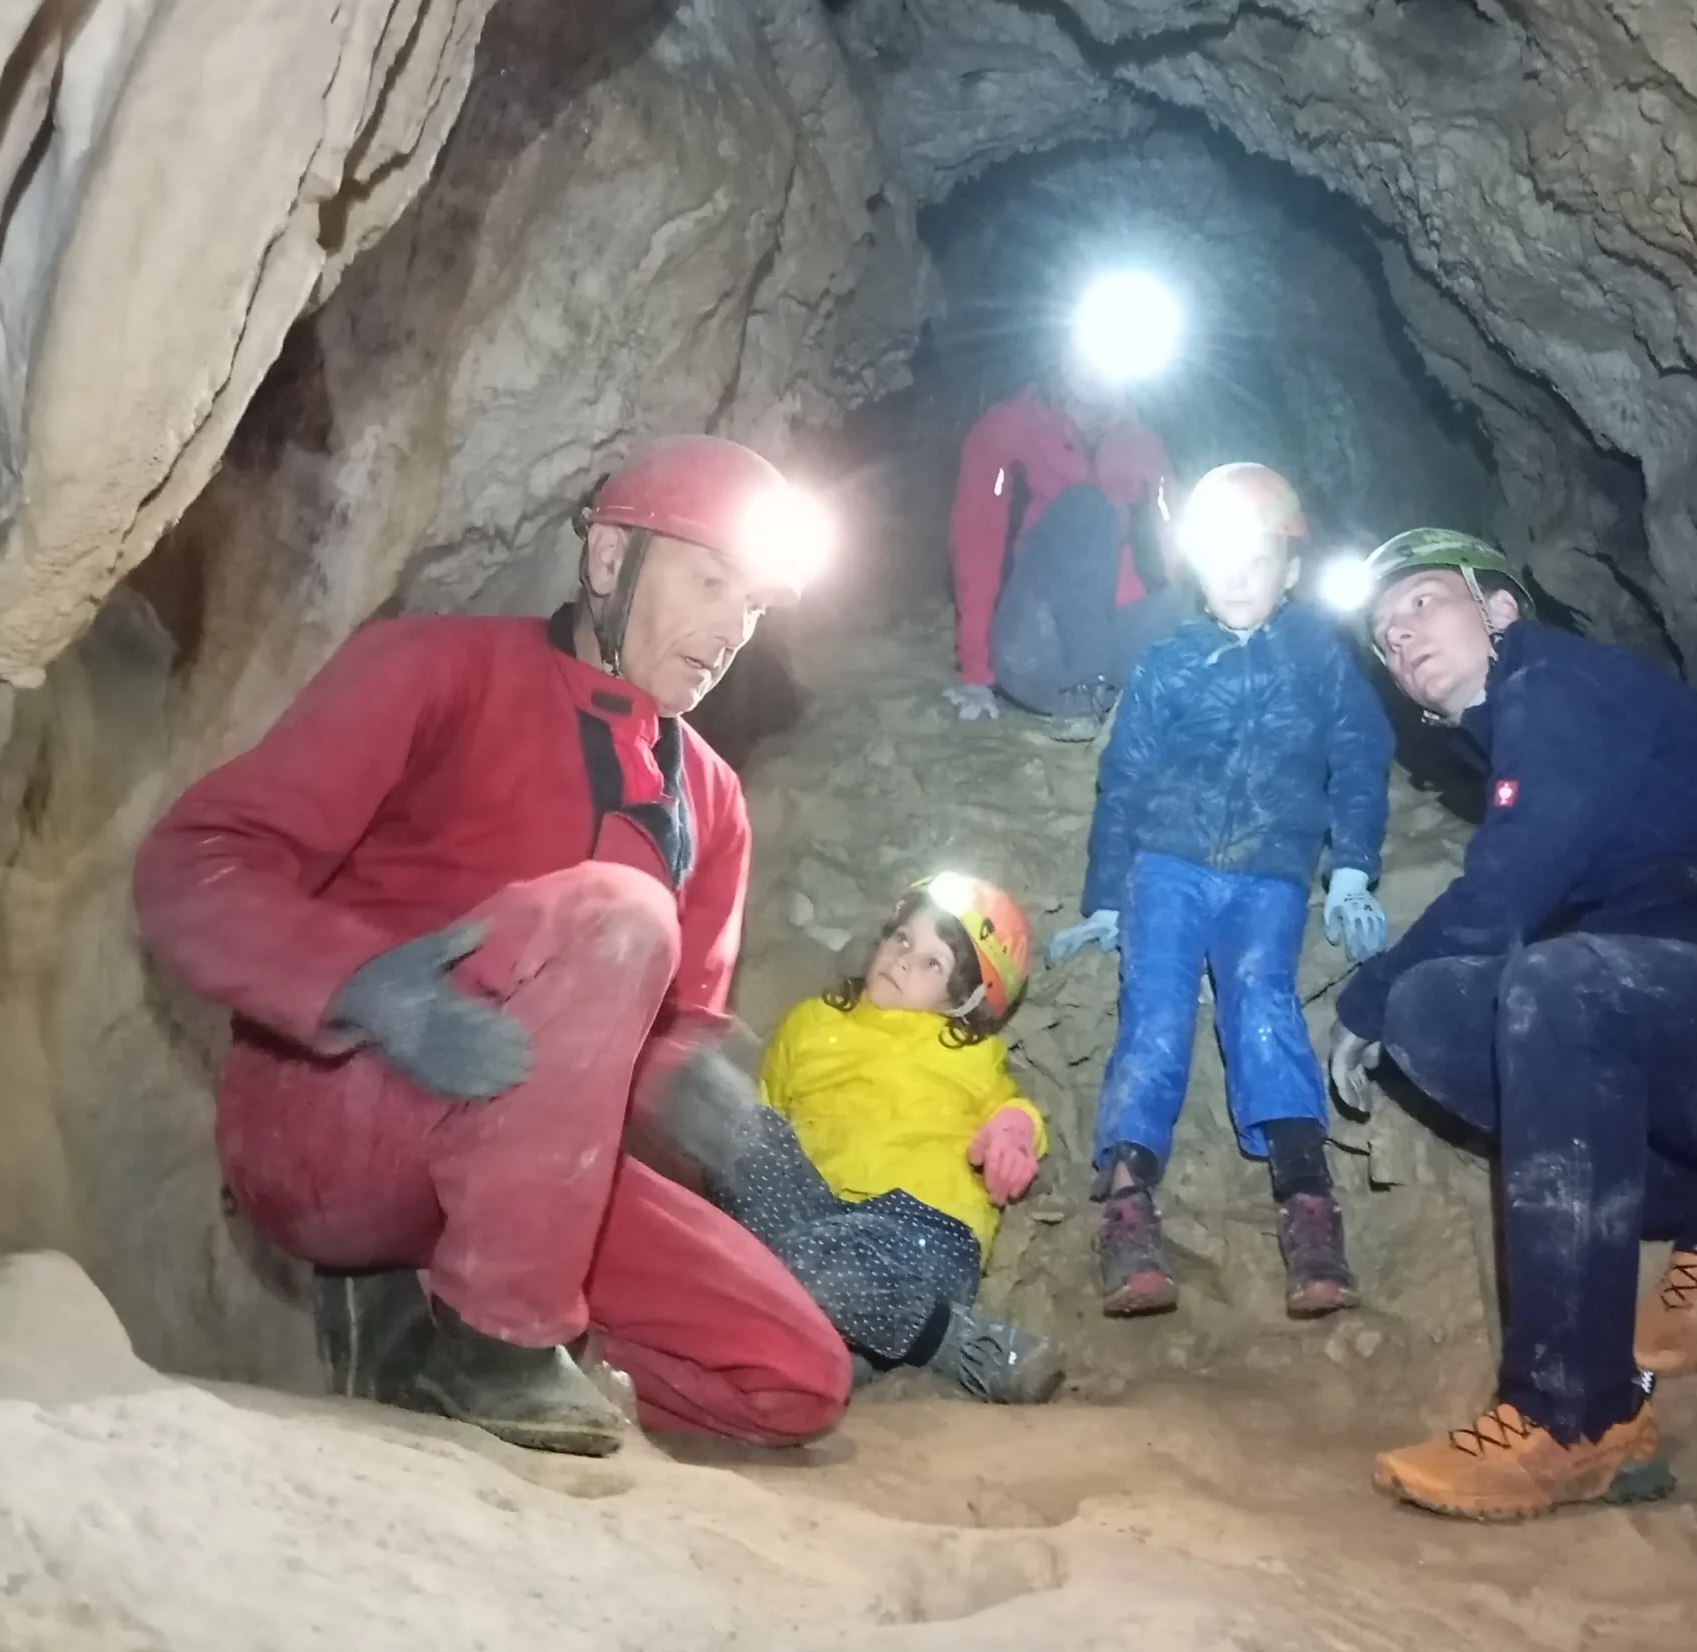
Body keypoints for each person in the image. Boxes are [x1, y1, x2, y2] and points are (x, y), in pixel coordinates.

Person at [132, 436, 853, 1459]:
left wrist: (695, 1078)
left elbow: (664, 1022)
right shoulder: (437, 668)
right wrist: (357, 984)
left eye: (752, 606)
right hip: (338, 1112)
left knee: (793, 1375)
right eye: (710, 581)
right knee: (620, 912)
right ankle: (496, 1343)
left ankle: (447, 1325)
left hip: (531, 1171)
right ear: (609, 560)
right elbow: (195, 860)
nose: (731, 626)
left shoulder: (713, 801)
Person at [1332, 528, 1697, 1520]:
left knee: (1557, 987)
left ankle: (1575, 1416)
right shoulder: (1530, 739)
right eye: (1385, 639)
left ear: (1501, 609)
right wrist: (1387, 1000)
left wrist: (1356, 993)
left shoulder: (1563, 689)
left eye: (1422, 603)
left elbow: (1506, 885)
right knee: (1430, 1013)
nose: (1400, 639)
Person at [1050, 464, 1396, 1318]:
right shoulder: (1168, 662)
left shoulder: (1320, 659)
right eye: (1222, 557)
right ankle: (1129, 1209)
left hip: (1267, 872)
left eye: (1259, 557)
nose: (1238, 574)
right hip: (1165, 865)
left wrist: (1351, 862)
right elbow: (1123, 779)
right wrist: (1104, 898)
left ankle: (1308, 1205)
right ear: (1196, 566)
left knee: (1263, 1002)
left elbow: (1360, 752)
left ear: (1290, 570)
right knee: (1155, 1011)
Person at [655, 876, 1066, 1405]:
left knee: (809, 1261)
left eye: (932, 962)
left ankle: (970, 1346)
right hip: (812, 1217)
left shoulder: (965, 1050)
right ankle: (840, 1345)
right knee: (715, 1098)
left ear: (965, 1002)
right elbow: (764, 1120)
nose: (903, 960)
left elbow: (1011, 1105)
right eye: (902, 940)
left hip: (921, 1232)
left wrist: (1013, 1131)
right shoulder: (809, 1023)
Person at [944, 368, 1189, 729]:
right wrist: (977, 669)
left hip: (1113, 651)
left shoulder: (1144, 444)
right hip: (1034, 652)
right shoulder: (1010, 429)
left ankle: (1117, 690)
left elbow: (1171, 549)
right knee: (1086, 510)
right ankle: (1085, 692)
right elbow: (978, 541)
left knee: (1187, 601)